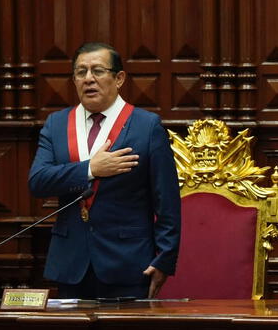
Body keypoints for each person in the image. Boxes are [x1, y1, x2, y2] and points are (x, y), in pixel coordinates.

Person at [28, 42, 181, 299]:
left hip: (128, 262)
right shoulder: (56, 124)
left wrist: (165, 258)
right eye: (81, 72)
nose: (89, 79)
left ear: (119, 78)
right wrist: (90, 169)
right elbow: (38, 181)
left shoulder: (146, 126)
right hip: (70, 263)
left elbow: (166, 200)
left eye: (98, 71)